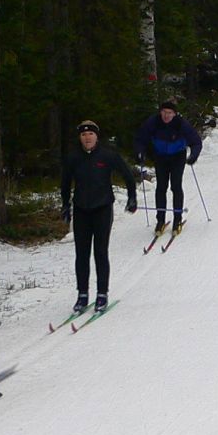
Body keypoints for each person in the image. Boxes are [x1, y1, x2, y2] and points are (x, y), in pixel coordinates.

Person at [61, 120, 137, 314]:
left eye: (91, 134)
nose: (87, 138)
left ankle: (102, 293)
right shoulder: (73, 158)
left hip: (102, 208)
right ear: (80, 138)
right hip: (81, 210)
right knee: (82, 253)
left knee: (100, 252)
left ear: (97, 136)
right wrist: (65, 205)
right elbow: (65, 182)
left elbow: (128, 175)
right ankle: (82, 294)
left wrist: (132, 198)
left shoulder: (107, 155)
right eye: (84, 135)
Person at [133, 101, 203, 235]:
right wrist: (139, 152)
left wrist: (193, 155)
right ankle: (160, 220)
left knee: (176, 186)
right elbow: (140, 139)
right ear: (160, 112)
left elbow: (196, 141)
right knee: (161, 187)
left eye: (169, 113)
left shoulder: (181, 124)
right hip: (160, 157)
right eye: (164, 112)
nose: (166, 115)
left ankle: (177, 220)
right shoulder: (153, 122)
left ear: (174, 114)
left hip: (178, 156)